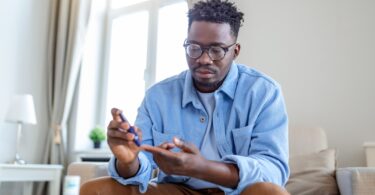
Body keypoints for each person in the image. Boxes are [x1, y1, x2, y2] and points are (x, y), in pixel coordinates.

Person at [80, 0, 289, 194]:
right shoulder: (158, 96)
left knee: (272, 193)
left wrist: (202, 168)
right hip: (178, 190)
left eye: (217, 50)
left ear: (235, 51)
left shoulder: (263, 92)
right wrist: (127, 161)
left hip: (238, 191)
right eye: (194, 48)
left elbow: (273, 171)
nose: (204, 59)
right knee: (95, 190)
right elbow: (141, 165)